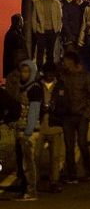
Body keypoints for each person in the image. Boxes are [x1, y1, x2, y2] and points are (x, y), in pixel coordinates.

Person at [61, 51, 90, 183]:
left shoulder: (86, 77)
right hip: (67, 116)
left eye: (66, 62)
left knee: (82, 143)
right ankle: (72, 174)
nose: (64, 64)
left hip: (81, 115)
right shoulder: (64, 76)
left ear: (73, 62)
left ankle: (88, 170)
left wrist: (87, 114)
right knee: (69, 145)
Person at [11, 60, 43, 201]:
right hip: (22, 128)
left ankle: (31, 192)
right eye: (22, 71)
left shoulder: (34, 88)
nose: (24, 74)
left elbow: (34, 111)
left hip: (29, 131)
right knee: (24, 163)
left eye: (27, 71)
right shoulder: (25, 87)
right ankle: (26, 190)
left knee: (28, 164)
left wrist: (27, 131)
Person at [36, 62, 67, 194]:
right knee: (35, 155)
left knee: (55, 156)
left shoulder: (60, 86)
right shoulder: (37, 85)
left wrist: (56, 108)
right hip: (40, 126)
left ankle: (54, 181)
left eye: (51, 72)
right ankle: (34, 181)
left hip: (55, 125)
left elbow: (66, 104)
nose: (49, 75)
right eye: (47, 72)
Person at [32, 0, 62, 67]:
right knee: (40, 51)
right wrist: (35, 29)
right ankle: (40, 68)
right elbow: (34, 17)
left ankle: (49, 68)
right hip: (41, 31)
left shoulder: (56, 3)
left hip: (53, 30)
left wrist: (58, 28)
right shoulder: (37, 3)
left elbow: (59, 17)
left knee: (50, 51)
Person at [3, 14, 26, 78]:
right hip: (14, 67)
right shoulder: (15, 35)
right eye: (22, 21)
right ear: (18, 23)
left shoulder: (12, 33)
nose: (23, 23)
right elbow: (18, 51)